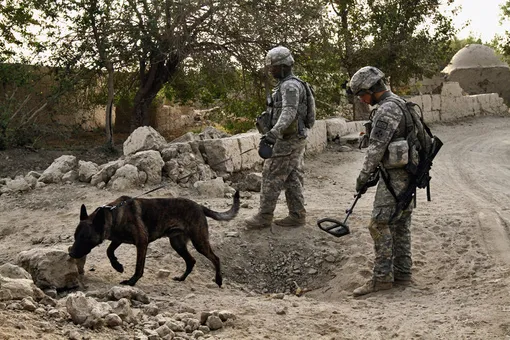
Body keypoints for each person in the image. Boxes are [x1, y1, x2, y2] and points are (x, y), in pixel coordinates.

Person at [349, 66, 414, 296]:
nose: (362, 100)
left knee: (378, 224)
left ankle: (382, 278)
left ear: (371, 89)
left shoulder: (387, 111)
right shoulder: (401, 103)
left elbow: (375, 150)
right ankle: (403, 273)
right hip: (410, 175)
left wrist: (362, 178)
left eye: (361, 94)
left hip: (395, 179)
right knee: (400, 223)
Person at [245, 46, 313, 229]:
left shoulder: (290, 86)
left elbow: (289, 112)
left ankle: (264, 217)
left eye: (273, 67)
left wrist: (273, 133)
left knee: (271, 174)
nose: (271, 71)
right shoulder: (289, 84)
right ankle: (297, 215)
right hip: (295, 137)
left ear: (283, 66)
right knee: (292, 177)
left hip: (287, 139)